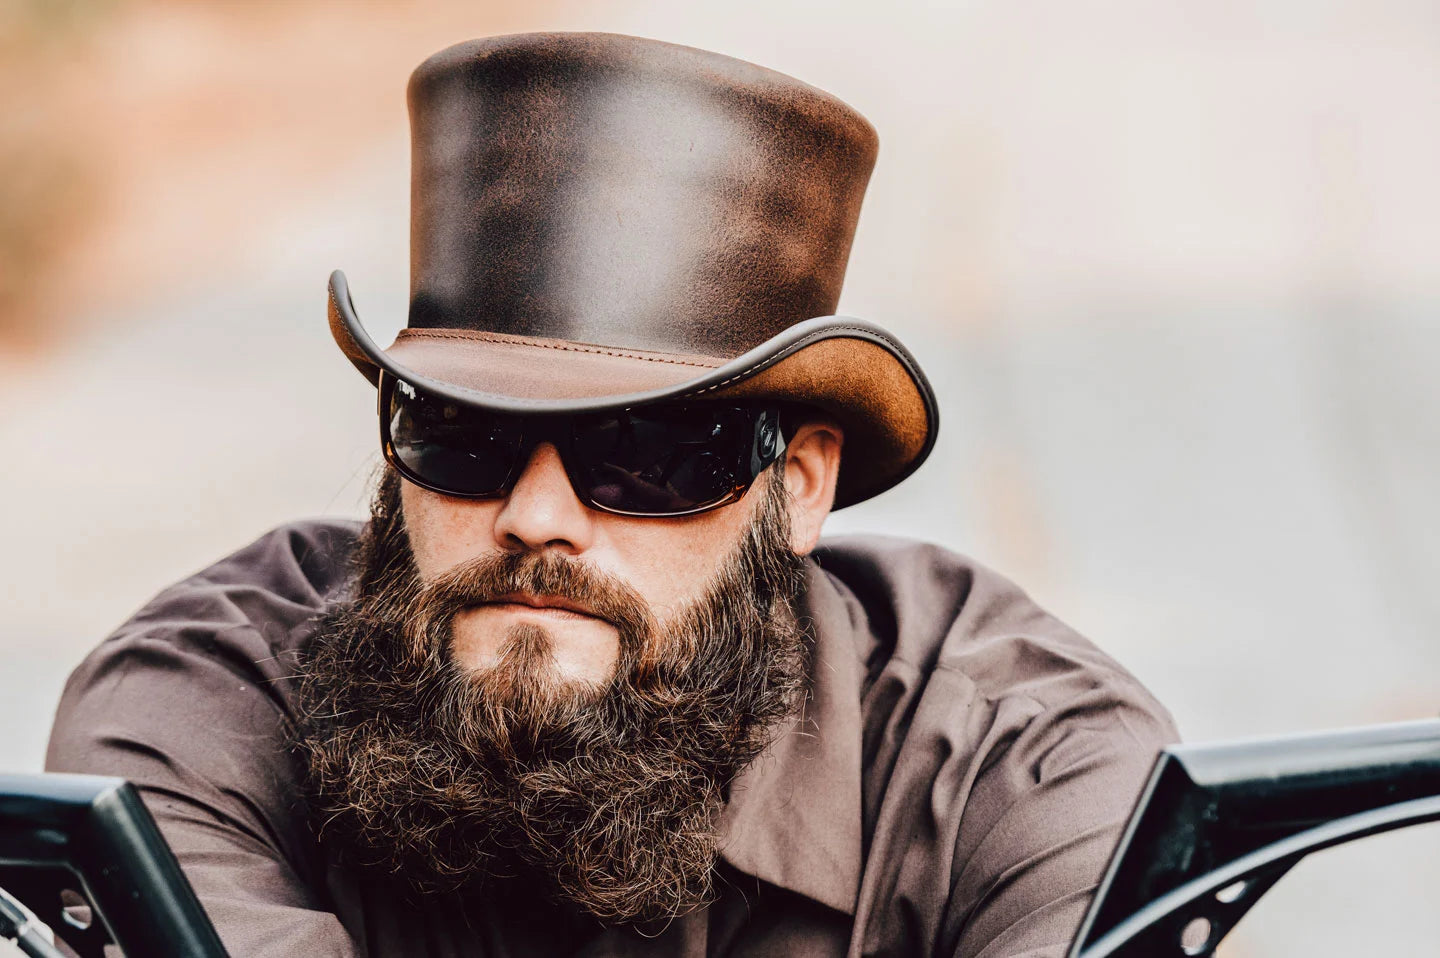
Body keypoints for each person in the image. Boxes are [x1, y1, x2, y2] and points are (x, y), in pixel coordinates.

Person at [46, 32, 1176, 958]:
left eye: (645, 453)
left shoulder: (1021, 771)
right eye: (466, 434)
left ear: (796, 487)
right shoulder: (205, 702)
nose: (538, 515)